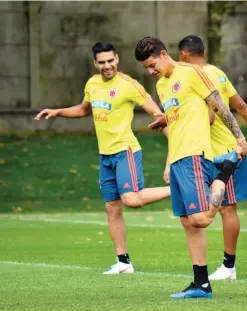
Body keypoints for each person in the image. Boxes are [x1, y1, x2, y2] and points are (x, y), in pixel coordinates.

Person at [35, 42, 171, 275]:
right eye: (102, 62)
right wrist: (57, 112)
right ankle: (123, 262)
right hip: (105, 156)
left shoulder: (130, 85)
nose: (107, 66)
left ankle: (177, 188)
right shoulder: (92, 83)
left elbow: (160, 116)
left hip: (125, 151)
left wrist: (172, 153)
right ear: (95, 63)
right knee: (112, 208)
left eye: (111, 60)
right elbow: (83, 109)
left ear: (117, 59)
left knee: (131, 199)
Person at [134, 36, 247, 299]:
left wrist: (240, 139)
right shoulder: (162, 85)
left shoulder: (194, 73)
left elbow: (219, 105)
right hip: (177, 156)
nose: (151, 71)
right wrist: (166, 130)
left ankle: (225, 171)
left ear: (164, 54)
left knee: (201, 218)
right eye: (146, 68)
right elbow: (179, 116)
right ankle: (202, 284)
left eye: (152, 64)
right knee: (189, 223)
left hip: (195, 154)